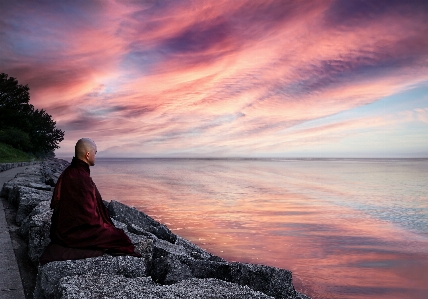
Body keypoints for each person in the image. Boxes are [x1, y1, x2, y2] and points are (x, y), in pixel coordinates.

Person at [39, 138, 140, 265]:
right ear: (88, 154)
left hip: (61, 227)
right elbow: (88, 217)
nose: (95, 156)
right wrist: (104, 226)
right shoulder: (81, 178)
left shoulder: (69, 171)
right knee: (121, 237)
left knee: (114, 233)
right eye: (95, 153)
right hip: (73, 232)